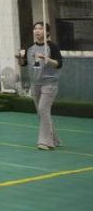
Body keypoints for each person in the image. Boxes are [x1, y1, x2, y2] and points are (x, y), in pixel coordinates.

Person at [16, 22, 63, 150]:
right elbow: (24, 63)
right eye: (35, 29)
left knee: (43, 109)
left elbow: (59, 64)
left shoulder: (52, 47)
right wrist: (19, 58)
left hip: (49, 83)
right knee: (41, 112)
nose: (37, 31)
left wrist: (48, 59)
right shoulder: (30, 47)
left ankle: (45, 142)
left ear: (47, 33)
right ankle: (55, 139)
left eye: (40, 29)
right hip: (35, 83)